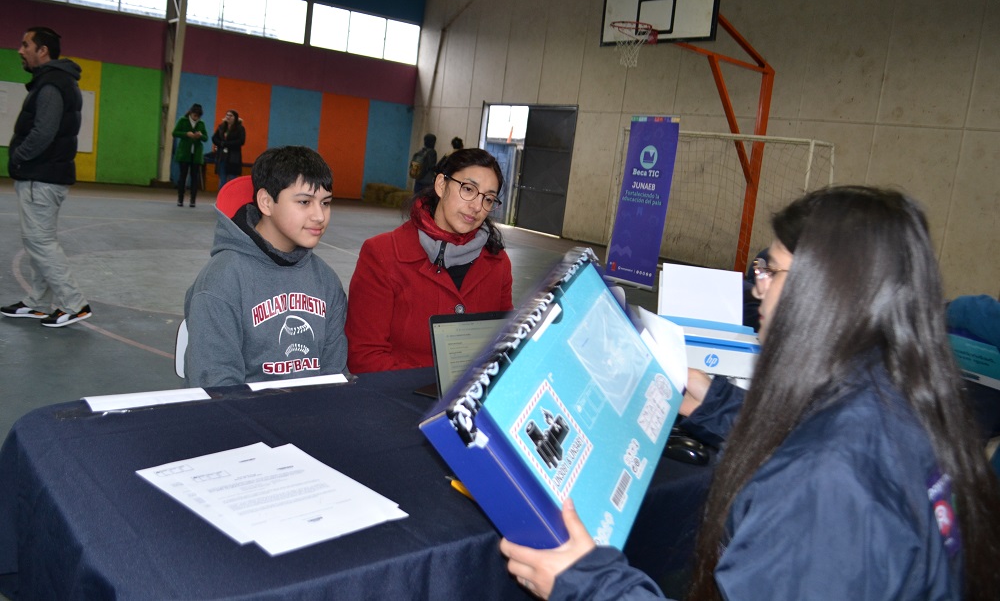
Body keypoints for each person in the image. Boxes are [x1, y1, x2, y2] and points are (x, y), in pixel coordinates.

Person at [500, 186, 1000, 601]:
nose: (756, 288)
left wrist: (586, 583)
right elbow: (817, 431)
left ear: (826, 290)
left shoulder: (824, 482)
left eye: (770, 271)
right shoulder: (904, 394)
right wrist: (709, 398)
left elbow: (820, 464)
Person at [183, 146, 348, 387]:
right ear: (266, 202)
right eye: (304, 202)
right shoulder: (221, 280)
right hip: (239, 419)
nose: (319, 216)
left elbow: (335, 376)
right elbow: (218, 387)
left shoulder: (326, 280)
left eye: (325, 203)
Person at [346, 148, 513, 372]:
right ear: (441, 185)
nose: (476, 206)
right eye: (468, 189)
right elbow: (363, 356)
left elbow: (504, 345)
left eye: (488, 199)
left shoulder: (498, 263)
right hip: (399, 398)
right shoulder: (382, 254)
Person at [1, 26, 93, 328]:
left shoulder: (52, 84)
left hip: (40, 176)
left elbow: (43, 132)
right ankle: (38, 302)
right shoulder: (55, 82)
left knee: (39, 241)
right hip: (44, 175)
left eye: (26, 44)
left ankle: (74, 304)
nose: (20, 50)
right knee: (39, 241)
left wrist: (18, 156)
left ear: (43, 51)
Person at [173, 103, 208, 207]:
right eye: (194, 115)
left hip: (196, 154)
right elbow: (175, 133)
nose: (196, 117)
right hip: (184, 153)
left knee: (194, 178)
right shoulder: (182, 120)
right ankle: (180, 199)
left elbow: (205, 138)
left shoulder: (201, 123)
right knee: (182, 177)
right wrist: (185, 134)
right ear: (190, 113)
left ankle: (193, 200)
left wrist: (200, 136)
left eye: (198, 116)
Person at [211, 109, 246, 187]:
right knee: (222, 180)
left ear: (235, 117)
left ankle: (232, 198)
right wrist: (221, 143)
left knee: (232, 180)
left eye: (231, 115)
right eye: (227, 115)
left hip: (233, 157)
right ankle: (221, 197)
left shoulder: (240, 128)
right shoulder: (221, 127)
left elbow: (241, 141)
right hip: (222, 156)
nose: (228, 117)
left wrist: (227, 144)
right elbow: (214, 138)